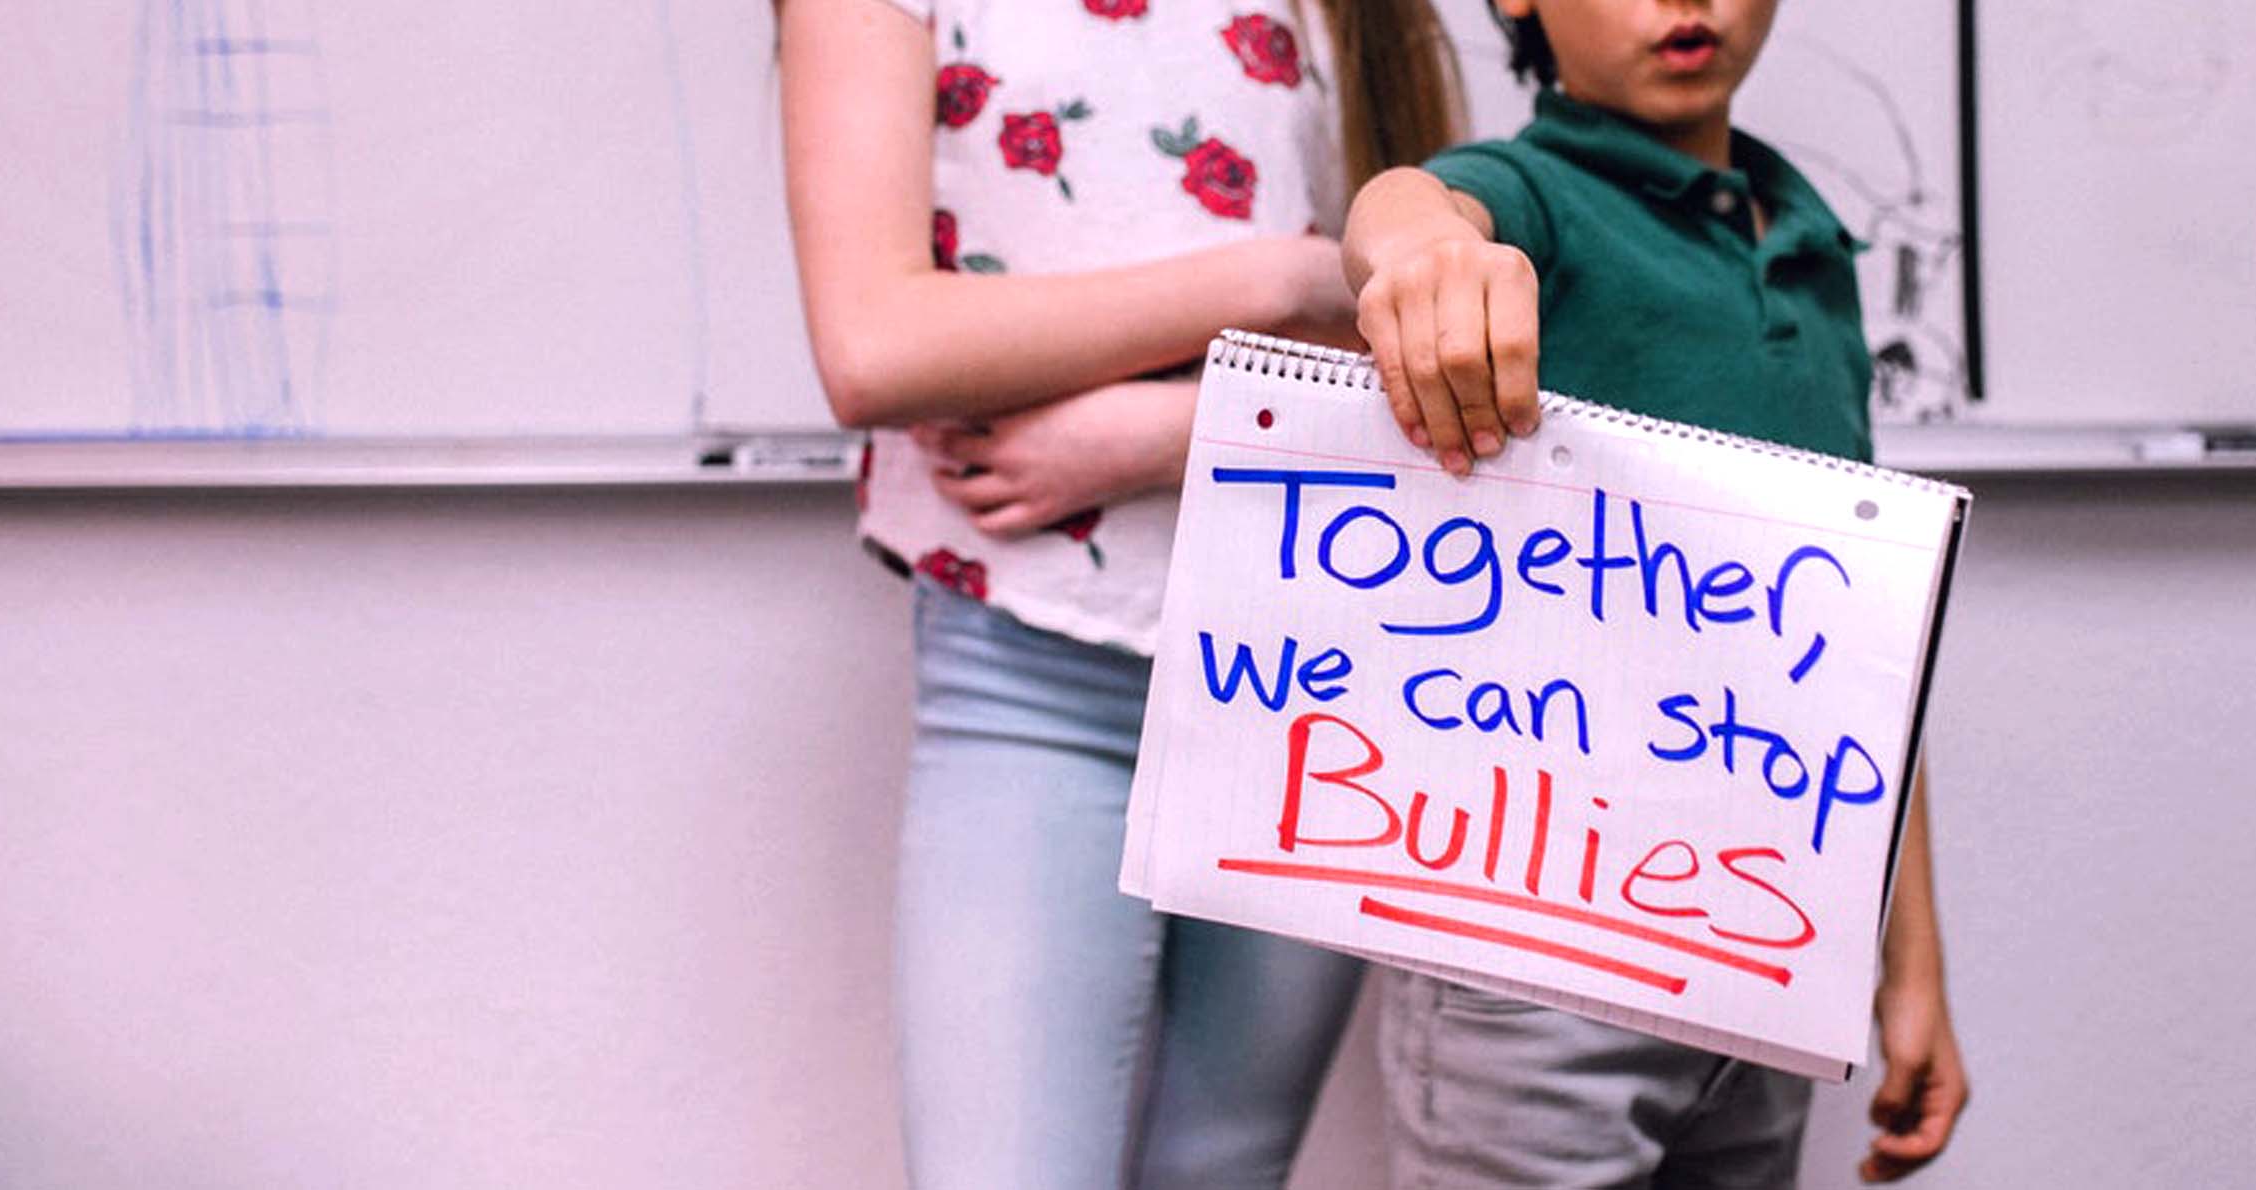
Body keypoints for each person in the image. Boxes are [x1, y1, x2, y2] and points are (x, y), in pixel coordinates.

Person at [776, 0, 1461, 1186]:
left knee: (1222, 1167)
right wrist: (1286, 274)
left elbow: (1433, 353)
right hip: (1030, 672)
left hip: (1319, 679)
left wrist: (1176, 432)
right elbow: (873, 345)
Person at [1340, 0, 1969, 1184]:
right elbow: (1410, 205)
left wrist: (1911, 967)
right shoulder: (1525, 203)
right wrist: (1425, 250)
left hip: (1763, 946)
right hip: (1535, 960)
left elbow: (1869, 640)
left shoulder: (1812, 246)